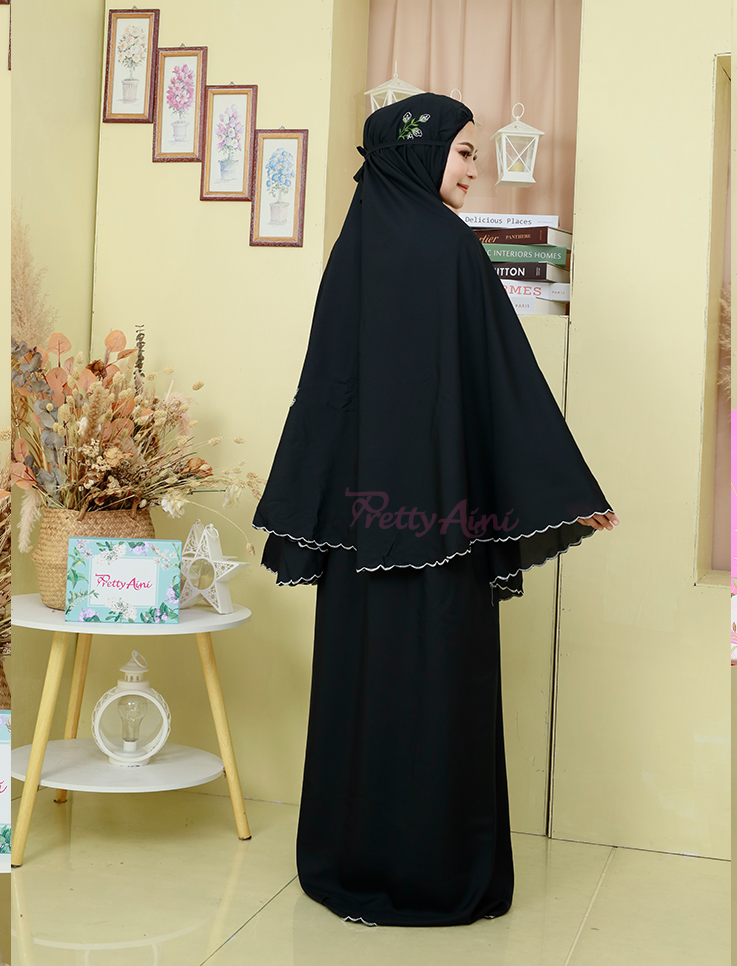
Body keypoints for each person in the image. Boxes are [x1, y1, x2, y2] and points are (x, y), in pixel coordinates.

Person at [254, 93, 616, 927]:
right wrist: (567, 490)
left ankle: (349, 858)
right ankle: (440, 872)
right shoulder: (451, 249)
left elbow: (324, 398)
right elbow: (504, 384)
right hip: (442, 528)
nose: (473, 168)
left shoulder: (353, 249)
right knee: (438, 689)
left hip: (358, 532)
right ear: (420, 155)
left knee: (362, 689)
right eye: (463, 152)